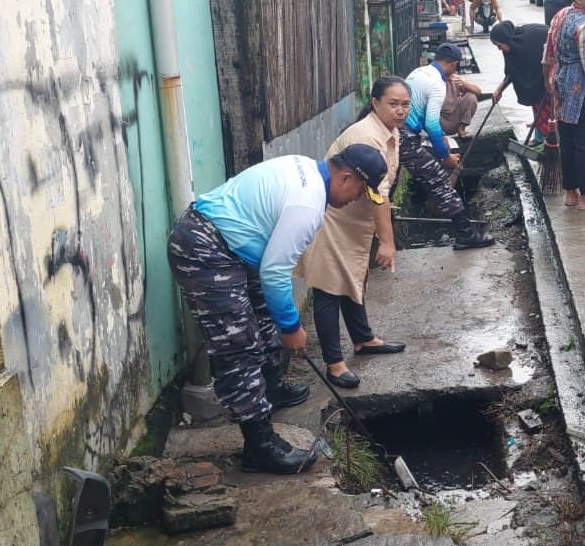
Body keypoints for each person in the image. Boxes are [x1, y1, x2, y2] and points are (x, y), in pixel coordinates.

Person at [168, 145, 385, 473]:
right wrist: (291, 327)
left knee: (265, 320)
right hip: (206, 248)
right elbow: (273, 271)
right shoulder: (307, 203)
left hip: (234, 247)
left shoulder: (306, 167)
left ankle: (270, 392)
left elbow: (270, 268)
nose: (358, 198)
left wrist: (282, 324)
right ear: (345, 177)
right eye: (360, 191)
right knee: (237, 346)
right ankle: (260, 447)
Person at [296, 77, 409, 390]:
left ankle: (363, 339)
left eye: (405, 104)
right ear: (374, 103)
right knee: (329, 288)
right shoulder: (366, 136)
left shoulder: (390, 132)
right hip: (334, 217)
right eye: (393, 104)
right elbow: (380, 194)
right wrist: (387, 242)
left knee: (353, 278)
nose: (400, 111)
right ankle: (334, 364)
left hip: (354, 220)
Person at [403, 43, 497, 249]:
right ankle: (465, 235)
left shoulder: (418, 72)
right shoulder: (436, 83)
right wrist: (444, 156)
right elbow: (431, 123)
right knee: (440, 183)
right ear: (453, 64)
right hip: (404, 136)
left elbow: (414, 112)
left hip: (399, 131)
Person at [544, 0, 585, 210]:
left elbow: (548, 52)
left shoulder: (561, 15)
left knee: (566, 140)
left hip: (561, 82)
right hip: (581, 89)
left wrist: (549, 79)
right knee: (584, 141)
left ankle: (570, 192)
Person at [490, 20, 551, 143]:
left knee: (545, 108)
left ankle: (548, 140)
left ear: (505, 38)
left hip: (548, 76)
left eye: (499, 45)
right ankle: (540, 136)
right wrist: (499, 90)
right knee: (536, 102)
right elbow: (512, 72)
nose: (499, 49)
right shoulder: (512, 48)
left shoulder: (530, 38)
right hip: (537, 81)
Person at [440, 71, 484, 137]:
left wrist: (464, 83)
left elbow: (478, 91)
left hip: (454, 119)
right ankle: (436, 134)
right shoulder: (432, 80)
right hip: (438, 121)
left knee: (471, 96)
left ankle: (461, 127)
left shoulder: (455, 79)